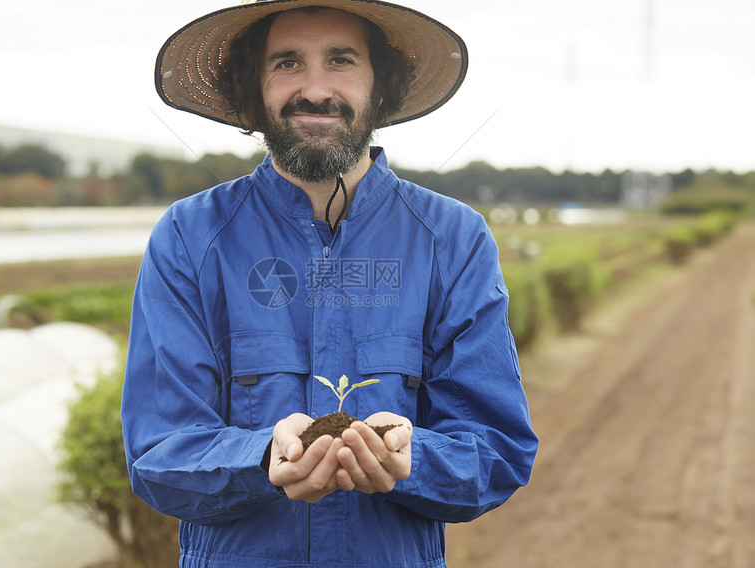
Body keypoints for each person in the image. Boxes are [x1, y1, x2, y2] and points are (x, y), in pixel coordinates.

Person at [121, 1, 538, 566]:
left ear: (380, 86)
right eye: (286, 63)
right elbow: (157, 451)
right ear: (254, 87)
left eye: (341, 61)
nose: (315, 89)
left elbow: (497, 449)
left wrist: (415, 458)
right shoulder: (189, 237)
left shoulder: (453, 239)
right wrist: (261, 456)